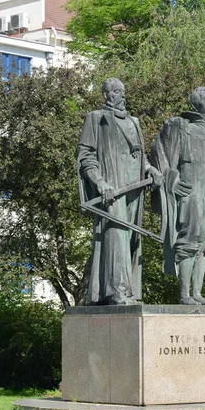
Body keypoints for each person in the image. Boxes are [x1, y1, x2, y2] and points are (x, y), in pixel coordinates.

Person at [77, 78, 162, 305]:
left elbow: (139, 156)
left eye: (120, 91)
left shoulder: (134, 122)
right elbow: (86, 156)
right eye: (112, 92)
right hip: (112, 188)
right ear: (105, 95)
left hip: (134, 189)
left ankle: (129, 290)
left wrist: (151, 169)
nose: (117, 95)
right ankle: (116, 291)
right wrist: (100, 182)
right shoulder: (96, 118)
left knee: (131, 238)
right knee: (115, 233)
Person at [151, 86, 205, 305]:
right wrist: (173, 180)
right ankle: (184, 295)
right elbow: (159, 151)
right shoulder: (181, 126)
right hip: (191, 189)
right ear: (198, 103)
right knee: (190, 239)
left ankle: (197, 293)